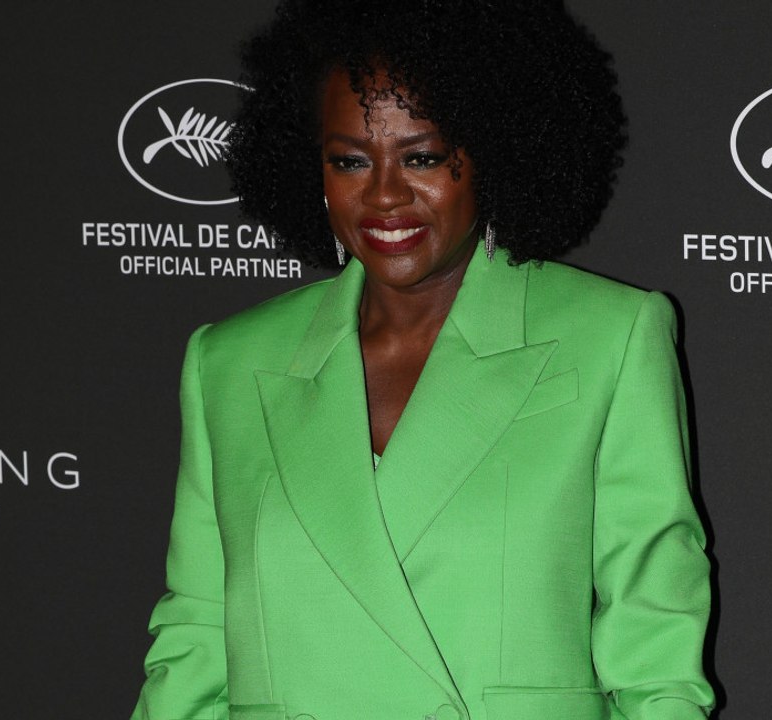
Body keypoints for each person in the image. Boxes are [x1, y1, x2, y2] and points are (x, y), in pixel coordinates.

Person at [131, 0, 715, 718]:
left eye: (423, 157)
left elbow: (655, 643)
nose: (384, 194)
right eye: (350, 161)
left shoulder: (609, 339)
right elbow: (196, 635)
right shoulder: (228, 361)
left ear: (496, 151)